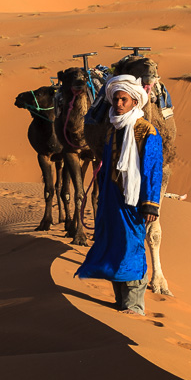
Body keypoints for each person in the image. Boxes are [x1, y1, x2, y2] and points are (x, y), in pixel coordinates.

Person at [75, 74, 163, 315]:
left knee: (131, 246)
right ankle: (120, 301)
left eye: (123, 99)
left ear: (135, 101)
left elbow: (153, 169)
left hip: (134, 201)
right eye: (116, 100)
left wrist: (151, 204)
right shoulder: (112, 128)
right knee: (112, 243)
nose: (118, 104)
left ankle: (134, 305)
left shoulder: (147, 131)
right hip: (112, 197)